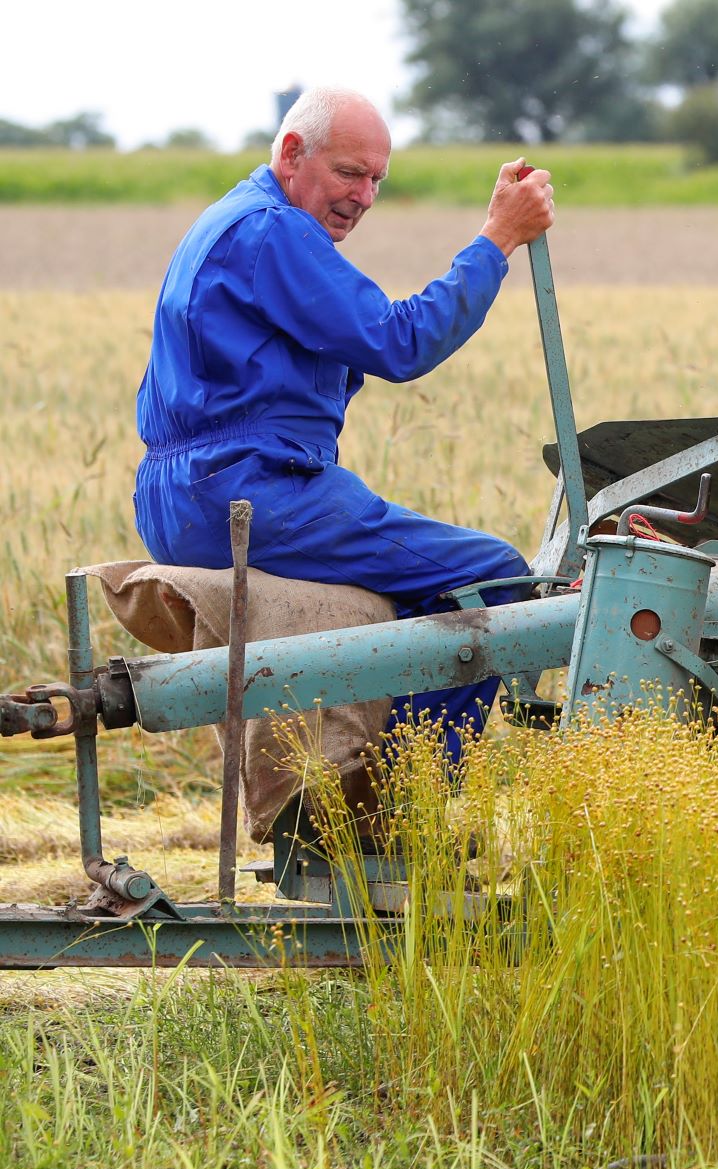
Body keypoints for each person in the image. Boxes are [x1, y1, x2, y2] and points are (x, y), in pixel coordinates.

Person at [133, 87, 555, 761]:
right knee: (493, 580)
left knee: (432, 587)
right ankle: (396, 803)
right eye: (350, 173)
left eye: (377, 180)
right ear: (293, 153)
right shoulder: (273, 231)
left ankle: (351, 778)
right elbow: (399, 343)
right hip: (249, 491)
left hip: (183, 494)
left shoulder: (227, 220)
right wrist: (499, 237)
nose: (363, 195)